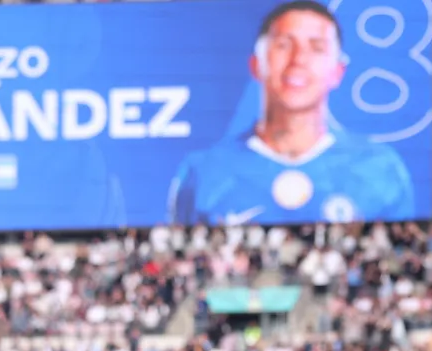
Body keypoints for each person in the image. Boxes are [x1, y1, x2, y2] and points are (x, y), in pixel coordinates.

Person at [168, 0, 416, 226]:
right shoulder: (203, 171)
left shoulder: (379, 167)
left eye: (316, 48)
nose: (298, 59)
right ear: (256, 65)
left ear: (338, 71)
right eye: (284, 45)